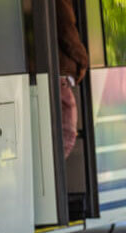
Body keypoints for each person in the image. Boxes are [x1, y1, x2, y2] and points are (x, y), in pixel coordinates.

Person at [56, 0, 88, 159]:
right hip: (60, 75)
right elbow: (68, 35)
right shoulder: (62, 4)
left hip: (60, 74)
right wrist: (83, 62)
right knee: (67, 136)